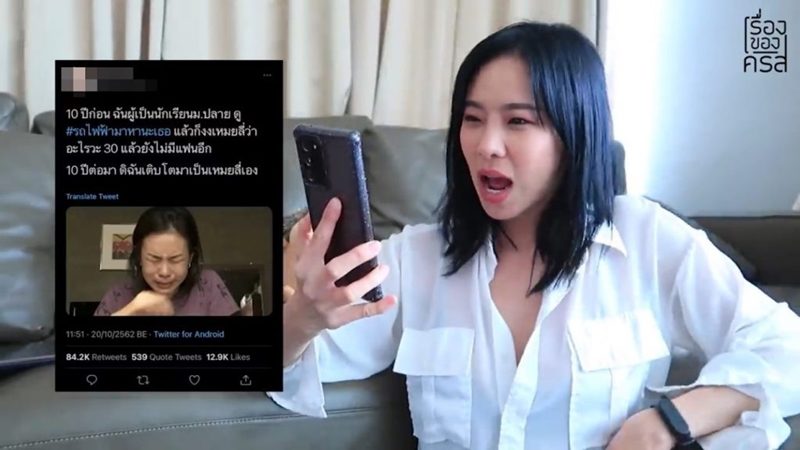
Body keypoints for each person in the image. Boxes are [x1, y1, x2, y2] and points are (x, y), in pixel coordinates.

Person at [271, 21, 800, 450]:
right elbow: (277, 368)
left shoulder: (647, 238)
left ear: (574, 132)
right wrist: (303, 316)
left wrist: (668, 421)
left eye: (518, 122)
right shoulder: (414, 257)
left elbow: (786, 349)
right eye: (472, 119)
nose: (486, 145)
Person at [94, 206, 240, 316]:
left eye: (175, 259)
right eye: (154, 259)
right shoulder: (117, 296)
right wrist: (130, 311)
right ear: (139, 257)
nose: (164, 272)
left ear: (190, 258)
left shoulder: (208, 285)